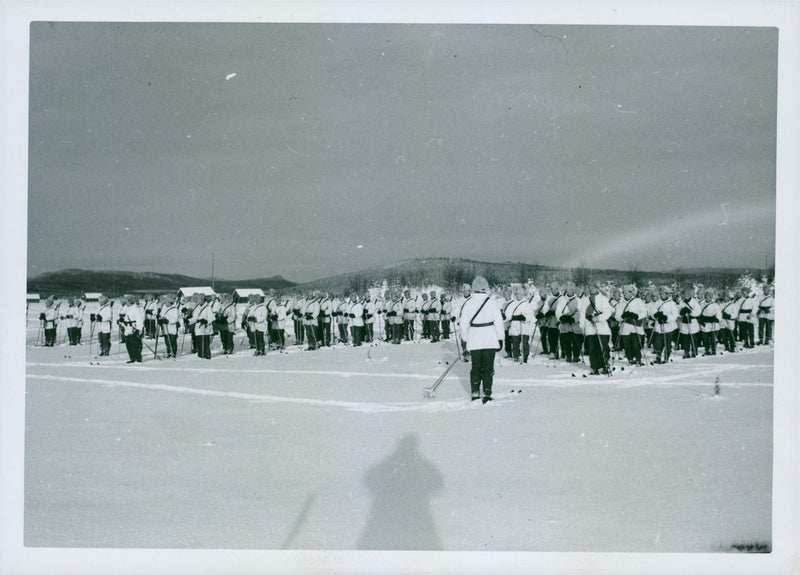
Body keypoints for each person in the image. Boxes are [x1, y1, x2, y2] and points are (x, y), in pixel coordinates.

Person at [459, 276, 505, 404]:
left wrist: (465, 339)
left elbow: (463, 325)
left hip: (474, 339)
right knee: (488, 367)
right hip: (490, 338)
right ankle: (487, 392)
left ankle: (474, 392)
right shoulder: (492, 302)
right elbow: (499, 323)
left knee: (476, 367)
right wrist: (500, 338)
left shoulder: (468, 303)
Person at [583, 283, 612, 374]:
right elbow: (582, 313)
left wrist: (598, 318)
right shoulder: (585, 300)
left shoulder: (603, 299)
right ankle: (594, 367)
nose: (591, 289)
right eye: (589, 287)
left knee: (603, 347)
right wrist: (583, 324)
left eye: (593, 287)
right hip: (590, 327)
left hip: (601, 327)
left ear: (597, 288)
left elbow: (608, 312)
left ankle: (605, 366)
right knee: (592, 348)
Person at [615, 284, 646, 365]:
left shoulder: (638, 301)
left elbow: (644, 312)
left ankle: (638, 359)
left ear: (631, 293)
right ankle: (630, 359)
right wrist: (622, 316)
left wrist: (636, 316)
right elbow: (617, 316)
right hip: (625, 327)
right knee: (627, 345)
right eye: (624, 292)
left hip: (636, 326)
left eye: (627, 292)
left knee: (636, 344)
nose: (625, 294)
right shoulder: (621, 303)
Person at [651, 286, 679, 363]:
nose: (662, 295)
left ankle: (666, 357)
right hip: (658, 326)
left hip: (668, 327)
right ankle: (658, 356)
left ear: (667, 294)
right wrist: (655, 315)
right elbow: (652, 312)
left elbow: (675, 315)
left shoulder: (672, 303)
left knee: (667, 342)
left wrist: (666, 318)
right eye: (661, 293)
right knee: (657, 342)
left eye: (664, 293)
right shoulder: (657, 303)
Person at [507, 286, 534, 363]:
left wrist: (524, 317)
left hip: (523, 326)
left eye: (520, 294)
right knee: (515, 342)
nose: (518, 295)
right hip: (515, 326)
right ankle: (516, 356)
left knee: (525, 342)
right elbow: (508, 315)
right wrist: (514, 317)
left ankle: (525, 356)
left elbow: (530, 315)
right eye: (517, 294)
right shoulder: (512, 304)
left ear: (522, 295)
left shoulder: (526, 304)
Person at [119, 295, 144, 363]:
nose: (126, 303)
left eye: (126, 302)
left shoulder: (136, 309)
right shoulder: (128, 308)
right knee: (128, 344)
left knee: (135, 344)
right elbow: (126, 318)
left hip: (134, 328)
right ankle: (132, 357)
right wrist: (121, 321)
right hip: (128, 328)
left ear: (129, 302)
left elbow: (139, 320)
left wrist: (138, 329)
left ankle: (138, 358)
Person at [698, 288, 722, 355]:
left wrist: (717, 319)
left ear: (711, 297)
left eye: (709, 296)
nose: (707, 298)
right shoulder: (701, 304)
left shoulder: (715, 305)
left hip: (712, 323)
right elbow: (699, 313)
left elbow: (719, 313)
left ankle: (713, 350)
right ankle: (707, 349)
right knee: (705, 338)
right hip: (705, 323)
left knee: (713, 338)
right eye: (706, 296)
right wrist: (700, 319)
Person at [158, 294, 180, 358]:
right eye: (165, 301)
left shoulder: (174, 309)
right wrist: (160, 319)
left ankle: (173, 352)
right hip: (165, 327)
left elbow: (175, 319)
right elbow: (161, 315)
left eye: (167, 302)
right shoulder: (164, 307)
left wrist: (167, 320)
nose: (166, 303)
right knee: (167, 340)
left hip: (172, 327)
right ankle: (169, 351)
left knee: (172, 340)